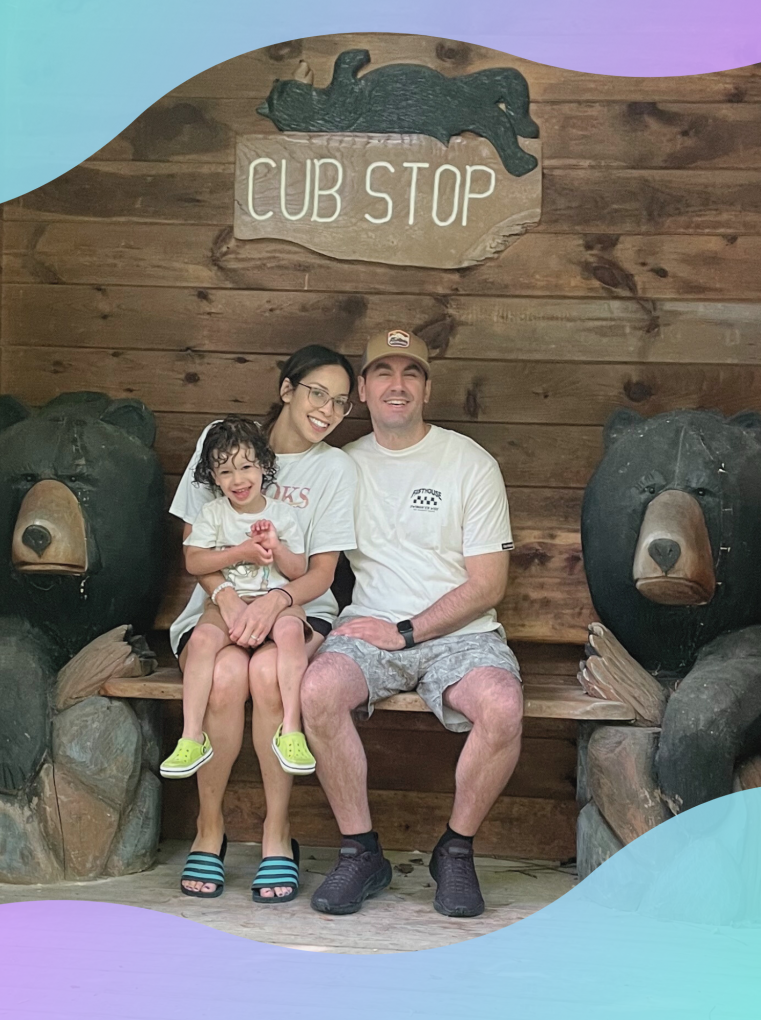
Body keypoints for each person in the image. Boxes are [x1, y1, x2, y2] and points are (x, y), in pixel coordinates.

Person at [301, 329, 523, 919]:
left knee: (502, 704)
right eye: (382, 373)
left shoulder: (470, 463)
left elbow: (488, 584)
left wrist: (406, 632)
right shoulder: (340, 468)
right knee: (317, 690)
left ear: (427, 388)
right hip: (370, 629)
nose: (396, 384)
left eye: (410, 373)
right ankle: (360, 852)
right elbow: (307, 559)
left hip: (459, 634)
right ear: (364, 391)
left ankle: (455, 850)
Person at [169, 345, 358, 902]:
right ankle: (210, 829)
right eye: (316, 393)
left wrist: (274, 604)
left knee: (272, 673)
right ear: (286, 390)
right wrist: (227, 599)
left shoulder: (335, 469)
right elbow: (194, 545)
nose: (327, 410)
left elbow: (323, 573)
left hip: (294, 609)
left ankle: (277, 835)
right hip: (218, 606)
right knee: (226, 679)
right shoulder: (225, 443)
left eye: (341, 403)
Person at [160, 416, 316, 782]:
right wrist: (241, 552)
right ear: (213, 478)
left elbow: (298, 571)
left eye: (246, 466)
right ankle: (191, 737)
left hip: (278, 602)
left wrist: (276, 548)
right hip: (225, 603)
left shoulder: (283, 515)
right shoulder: (213, 513)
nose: (238, 479)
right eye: (225, 471)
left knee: (292, 634)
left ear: (264, 465)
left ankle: (292, 730)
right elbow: (193, 560)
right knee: (201, 641)